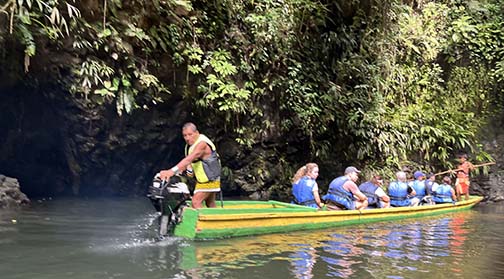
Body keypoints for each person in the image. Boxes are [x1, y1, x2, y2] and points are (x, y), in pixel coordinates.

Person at [158, 122, 221, 209]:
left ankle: (199, 222)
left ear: (197, 133)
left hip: (210, 179)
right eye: (185, 135)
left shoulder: (202, 144)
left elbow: (189, 159)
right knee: (210, 203)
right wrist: (177, 172)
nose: (187, 138)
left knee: (196, 202)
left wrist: (171, 171)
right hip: (203, 180)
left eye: (190, 134)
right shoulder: (190, 146)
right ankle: (216, 220)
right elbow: (188, 163)